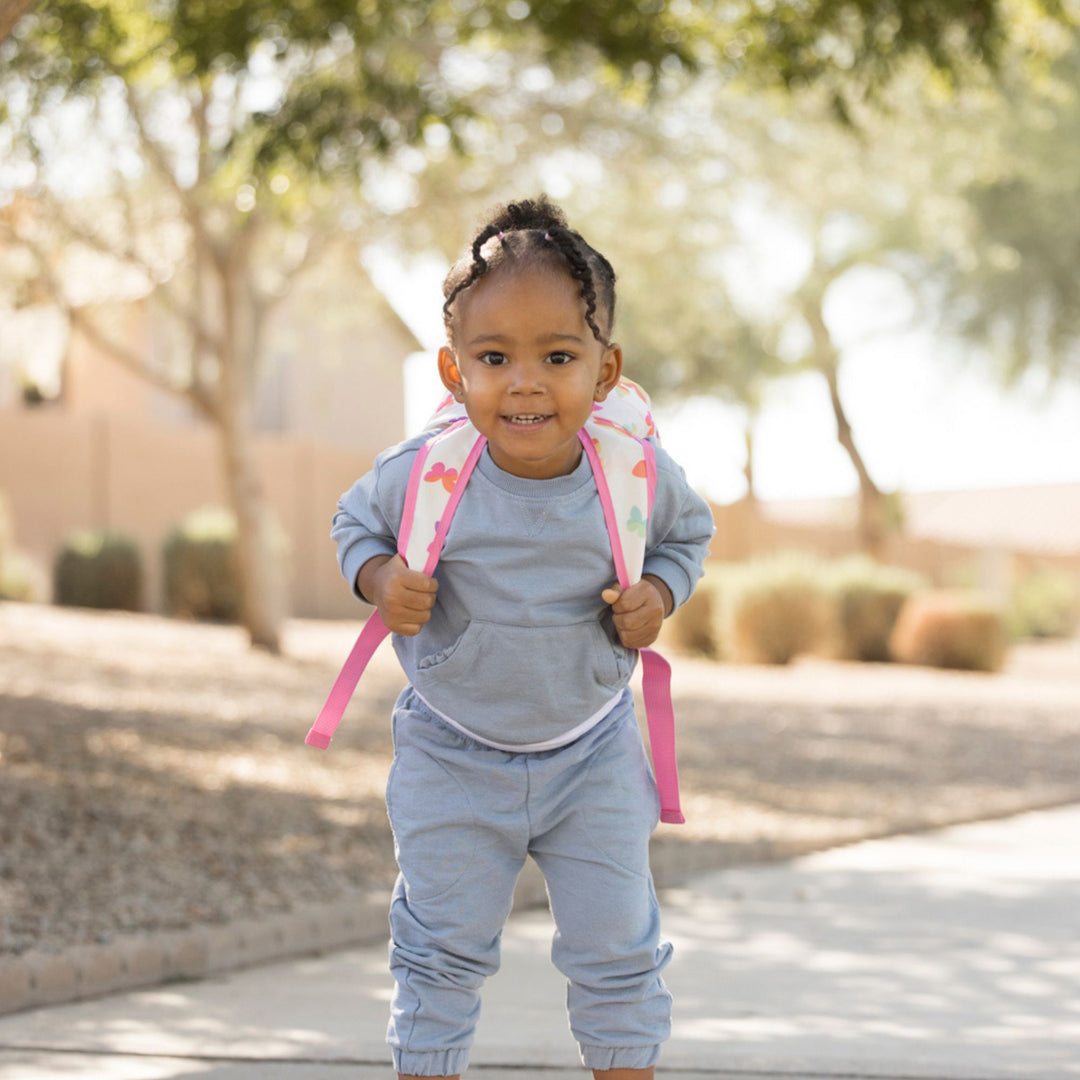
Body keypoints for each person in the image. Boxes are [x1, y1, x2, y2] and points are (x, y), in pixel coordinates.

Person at [331, 196, 715, 1080]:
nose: (525, 381)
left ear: (607, 370)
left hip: (594, 753)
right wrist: (381, 579)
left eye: (559, 356)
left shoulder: (637, 475)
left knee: (618, 950)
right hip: (449, 751)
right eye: (494, 357)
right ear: (452, 370)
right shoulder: (422, 473)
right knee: (437, 951)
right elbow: (353, 524)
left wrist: (659, 591)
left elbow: (689, 539)